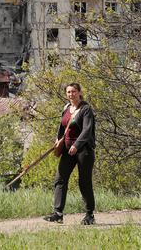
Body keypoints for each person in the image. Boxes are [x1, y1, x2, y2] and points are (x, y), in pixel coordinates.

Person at [43, 82, 96, 225]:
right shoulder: (66, 108)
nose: (71, 94)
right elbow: (62, 126)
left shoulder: (86, 110)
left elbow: (87, 130)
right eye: (68, 92)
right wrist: (57, 139)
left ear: (79, 92)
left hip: (83, 150)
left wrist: (77, 145)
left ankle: (89, 215)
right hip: (67, 150)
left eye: (73, 91)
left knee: (84, 182)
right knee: (60, 179)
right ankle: (58, 213)